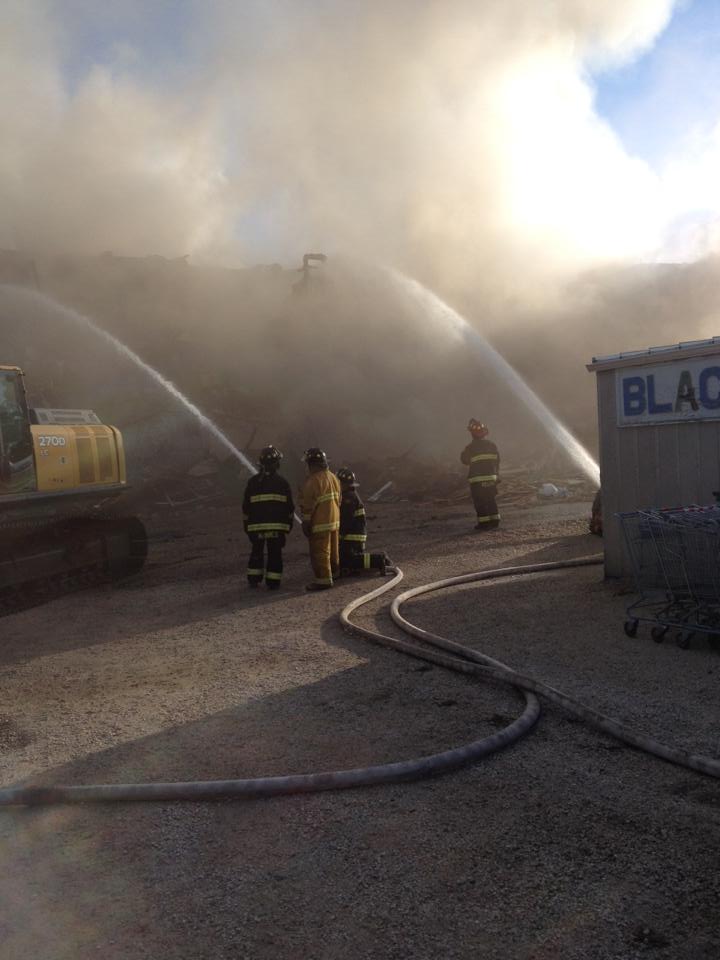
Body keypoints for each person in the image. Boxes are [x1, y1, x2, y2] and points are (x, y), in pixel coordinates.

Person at [242, 445, 294, 589]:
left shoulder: (252, 482)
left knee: (256, 551)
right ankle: (273, 582)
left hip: (255, 526)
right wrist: (288, 525)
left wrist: (247, 525)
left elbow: (245, 506)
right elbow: (289, 506)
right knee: (275, 553)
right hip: (276, 528)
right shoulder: (282, 483)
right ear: (277, 464)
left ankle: (254, 579)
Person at [300, 447, 341, 591]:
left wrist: (306, 521)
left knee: (320, 552)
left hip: (320, 522)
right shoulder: (333, 477)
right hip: (334, 520)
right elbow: (339, 500)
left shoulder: (313, 481)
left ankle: (323, 581)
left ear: (312, 464)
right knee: (333, 551)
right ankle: (334, 573)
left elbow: (308, 504)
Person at [337, 468, 390, 575]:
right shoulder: (350, 495)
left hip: (352, 537)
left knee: (345, 560)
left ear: (343, 483)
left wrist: (339, 535)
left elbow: (346, 520)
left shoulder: (348, 498)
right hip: (353, 536)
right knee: (343, 559)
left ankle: (379, 559)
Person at [460, 419, 500, 530]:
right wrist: (497, 475)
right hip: (491, 478)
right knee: (491, 499)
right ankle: (495, 521)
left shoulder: (470, 447)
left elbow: (464, 460)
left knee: (480, 501)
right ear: (485, 432)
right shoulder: (492, 445)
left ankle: (484, 523)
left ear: (472, 434)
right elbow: (497, 461)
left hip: (477, 480)